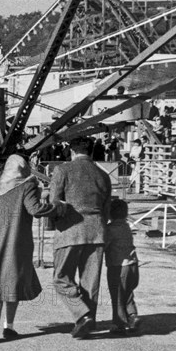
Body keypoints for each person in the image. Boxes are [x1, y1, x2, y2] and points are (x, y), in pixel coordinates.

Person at [0, 155, 65, 343]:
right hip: (15, 241)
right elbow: (34, 209)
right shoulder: (27, 186)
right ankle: (9, 327)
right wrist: (58, 208)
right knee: (12, 281)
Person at [50, 136, 112, 339]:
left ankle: (81, 314)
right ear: (91, 152)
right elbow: (107, 209)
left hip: (70, 230)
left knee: (61, 278)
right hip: (97, 231)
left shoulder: (62, 170)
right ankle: (88, 321)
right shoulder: (103, 175)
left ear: (72, 152)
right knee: (90, 281)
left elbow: (54, 203)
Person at [105, 199, 141, 335]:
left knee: (117, 295)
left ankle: (118, 323)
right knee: (127, 294)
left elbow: (105, 245)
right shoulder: (126, 227)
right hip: (133, 265)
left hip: (118, 266)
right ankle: (132, 316)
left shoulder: (110, 229)